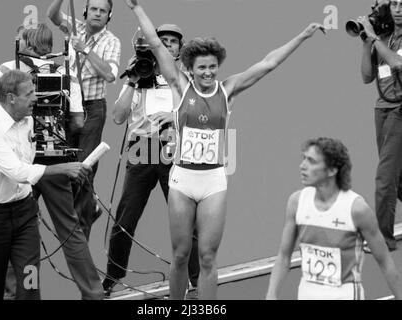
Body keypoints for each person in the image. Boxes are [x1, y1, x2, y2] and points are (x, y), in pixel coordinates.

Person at [124, 0, 324, 299]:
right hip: (182, 180)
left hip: (213, 182)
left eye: (213, 67)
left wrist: (302, 36)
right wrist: (137, 7)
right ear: (189, 69)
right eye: (201, 68)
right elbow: (155, 44)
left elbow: (268, 63)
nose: (208, 73)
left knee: (207, 258)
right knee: (180, 255)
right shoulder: (180, 86)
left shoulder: (227, 89)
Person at [0, 24, 104, 300]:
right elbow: (77, 121)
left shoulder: (6, 70)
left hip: (20, 163)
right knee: (71, 231)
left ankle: (16, 295)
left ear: (24, 41)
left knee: (20, 235)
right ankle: (93, 294)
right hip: (56, 161)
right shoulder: (67, 73)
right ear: (51, 45)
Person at [0, 70, 91, 300]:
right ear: (10, 98)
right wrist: (63, 169)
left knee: (30, 280)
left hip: (24, 214)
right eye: (29, 93)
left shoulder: (28, 122)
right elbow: (18, 171)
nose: (36, 98)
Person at [102, 24, 200, 297]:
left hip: (174, 152)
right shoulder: (138, 73)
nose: (168, 44)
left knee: (186, 220)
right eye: (162, 39)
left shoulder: (186, 77)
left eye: (173, 41)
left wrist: (175, 115)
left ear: (180, 48)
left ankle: (196, 278)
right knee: (125, 219)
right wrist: (132, 80)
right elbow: (118, 117)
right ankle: (112, 277)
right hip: (140, 151)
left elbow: (202, 115)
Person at [266, 137, 402, 300]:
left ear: (332, 170)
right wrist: (271, 293)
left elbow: (385, 262)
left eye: (311, 161)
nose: (302, 166)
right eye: (304, 159)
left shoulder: (357, 210)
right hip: (306, 294)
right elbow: (284, 256)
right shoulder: (296, 203)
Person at [47, 0, 121, 239]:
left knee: (85, 168)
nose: (98, 14)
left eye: (103, 11)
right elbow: (53, 14)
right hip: (67, 108)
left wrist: (85, 51)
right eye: (94, 9)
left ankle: (80, 233)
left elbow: (110, 75)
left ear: (109, 16)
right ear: (86, 12)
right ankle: (89, 208)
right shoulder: (74, 27)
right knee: (64, 167)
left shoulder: (111, 41)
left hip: (92, 109)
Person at [358, 0, 402, 252]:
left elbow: (397, 63)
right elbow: (366, 76)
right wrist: (366, 43)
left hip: (401, 111)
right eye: (393, 3)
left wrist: (374, 39)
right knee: (399, 178)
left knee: (385, 178)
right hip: (382, 109)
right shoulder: (382, 37)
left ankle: (383, 238)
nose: (397, 8)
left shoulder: (382, 40)